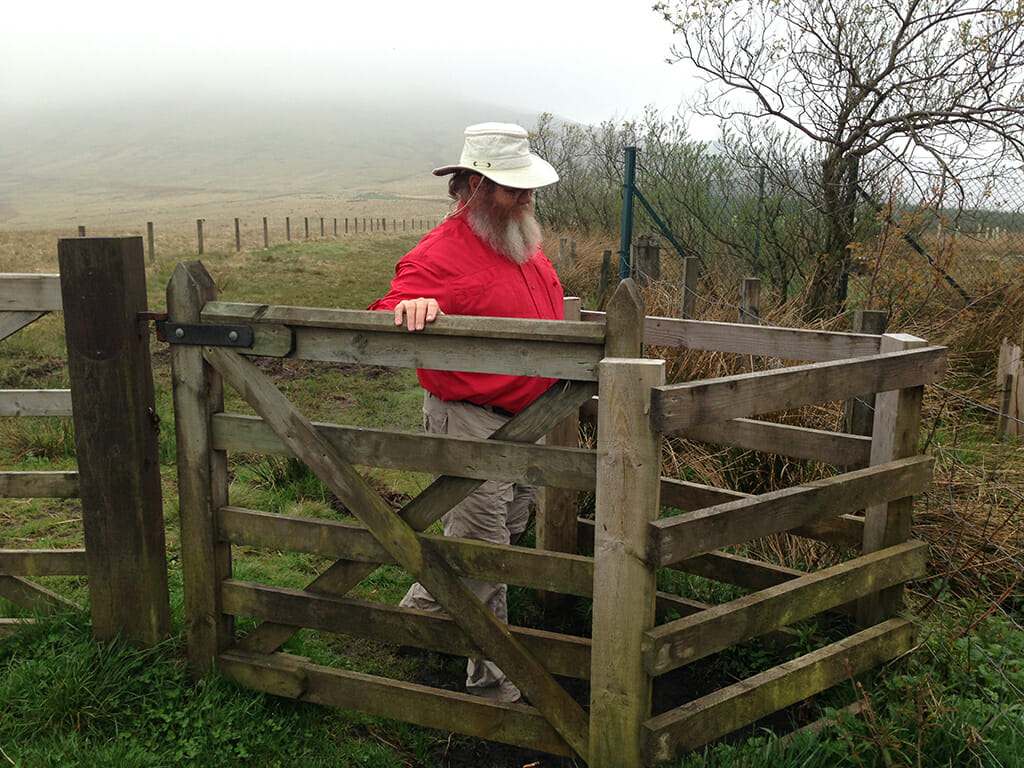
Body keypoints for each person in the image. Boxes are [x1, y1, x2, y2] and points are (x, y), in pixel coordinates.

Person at [368, 122, 563, 703]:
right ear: (472, 187)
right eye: (512, 187)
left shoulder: (521, 241)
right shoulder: (440, 252)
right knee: (483, 547)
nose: (526, 197)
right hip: (471, 416)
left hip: (531, 418)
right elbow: (388, 307)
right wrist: (413, 306)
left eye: (527, 187)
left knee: (509, 524)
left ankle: (421, 614)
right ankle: (492, 685)